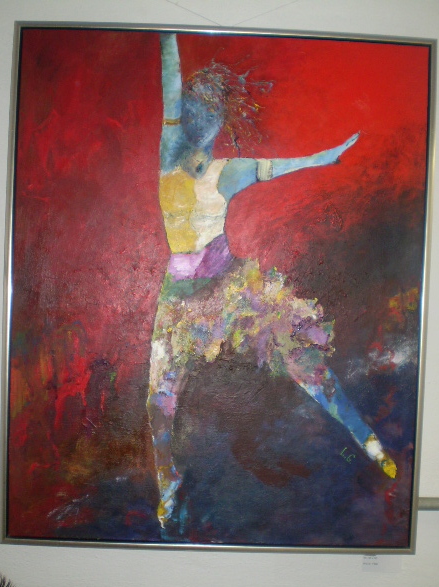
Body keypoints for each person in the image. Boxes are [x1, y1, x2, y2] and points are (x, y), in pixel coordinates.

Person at [146, 33, 397, 531]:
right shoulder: (169, 155)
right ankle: (167, 485)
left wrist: (324, 157)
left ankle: (368, 440)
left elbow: (280, 167)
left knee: (301, 359)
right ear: (185, 114)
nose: (198, 114)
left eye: (210, 108)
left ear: (218, 121)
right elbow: (169, 83)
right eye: (193, 105)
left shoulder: (228, 170)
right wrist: (166, 31)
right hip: (180, 297)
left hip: (229, 285)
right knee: (160, 395)